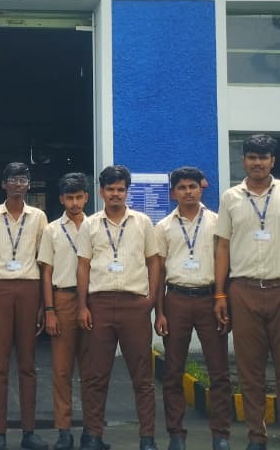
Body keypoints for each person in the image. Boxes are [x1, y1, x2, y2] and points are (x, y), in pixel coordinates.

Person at [213, 134, 280, 450]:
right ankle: (256, 435)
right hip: (243, 291)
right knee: (249, 369)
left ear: (273, 161)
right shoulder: (231, 197)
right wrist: (220, 294)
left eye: (264, 157)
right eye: (252, 156)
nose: (258, 162)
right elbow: (223, 246)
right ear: (244, 160)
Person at [75, 165, 163, 450]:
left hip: (134, 305)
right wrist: (82, 306)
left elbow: (154, 262)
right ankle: (93, 436)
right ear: (101, 192)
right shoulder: (90, 224)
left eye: (121, 189)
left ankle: (147, 437)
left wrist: (150, 299)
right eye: (110, 189)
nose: (116, 194)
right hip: (99, 305)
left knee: (142, 376)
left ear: (127, 191)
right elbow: (83, 266)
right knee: (96, 375)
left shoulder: (143, 222)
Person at [153, 167, 230, 450]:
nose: (188, 192)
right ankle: (176, 434)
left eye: (192, 186)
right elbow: (159, 273)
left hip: (210, 298)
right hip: (176, 299)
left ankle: (221, 435)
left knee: (219, 371)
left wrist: (222, 297)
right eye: (182, 187)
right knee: (173, 371)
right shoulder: (163, 227)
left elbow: (225, 263)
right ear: (173, 193)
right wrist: (159, 312)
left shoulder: (217, 222)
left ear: (201, 189)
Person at [0, 162, 49, 450]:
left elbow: (43, 261)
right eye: (13, 179)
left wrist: (43, 305)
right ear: (3, 184)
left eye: (23, 179)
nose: (18, 184)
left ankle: (29, 432)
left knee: (27, 365)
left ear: (29, 185)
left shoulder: (39, 217)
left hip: (29, 289)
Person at [37, 173, 90, 450]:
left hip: (93, 301)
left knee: (92, 370)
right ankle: (64, 431)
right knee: (61, 370)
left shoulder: (97, 226)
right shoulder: (52, 230)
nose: (75, 203)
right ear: (61, 199)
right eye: (69, 198)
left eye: (79, 197)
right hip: (63, 298)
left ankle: (92, 431)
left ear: (87, 197)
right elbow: (46, 273)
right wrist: (50, 310)